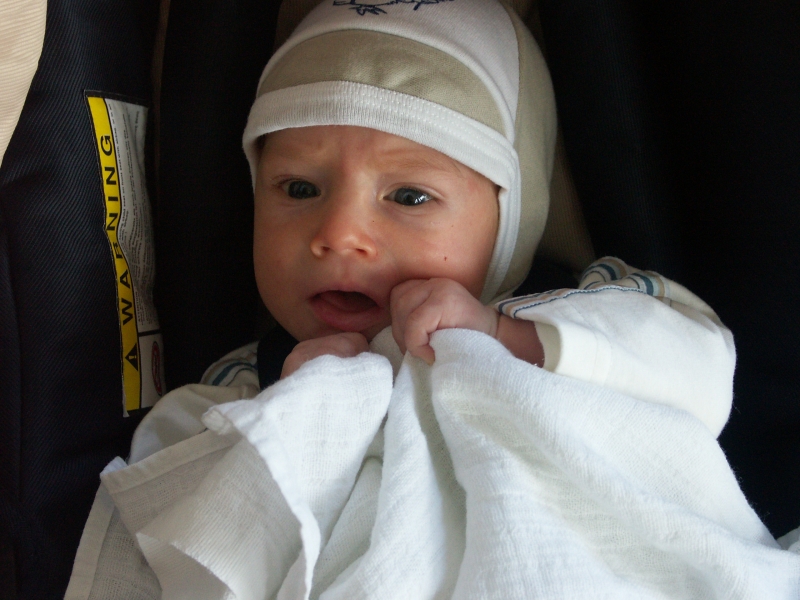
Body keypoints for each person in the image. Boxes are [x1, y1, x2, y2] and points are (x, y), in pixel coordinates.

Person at [69, 1, 800, 597]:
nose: (338, 233)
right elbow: (161, 516)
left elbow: (699, 363)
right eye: (299, 188)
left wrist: (511, 339)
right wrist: (288, 418)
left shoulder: (579, 307)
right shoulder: (242, 383)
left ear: (513, 217)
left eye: (409, 196)